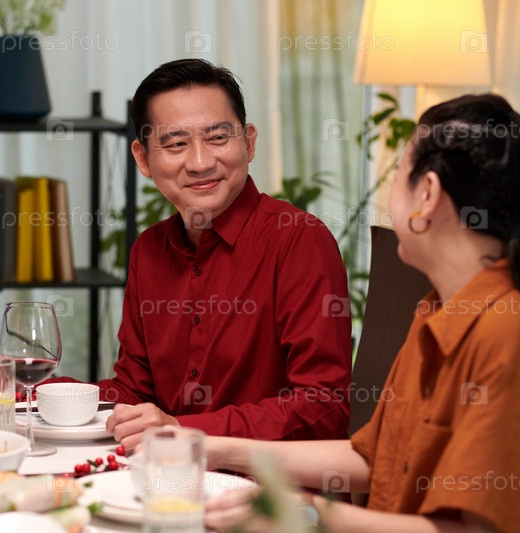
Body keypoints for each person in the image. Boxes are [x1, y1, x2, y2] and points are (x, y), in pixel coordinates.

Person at [202, 93, 520, 532]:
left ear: (427, 194)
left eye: (400, 172)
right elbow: (373, 459)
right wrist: (213, 447)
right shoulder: (436, 311)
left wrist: (311, 514)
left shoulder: (504, 332)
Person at [90, 58, 352, 449]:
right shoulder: (149, 250)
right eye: (176, 144)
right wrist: (33, 393)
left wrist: (184, 429)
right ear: (143, 158)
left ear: (249, 142)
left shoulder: (298, 240)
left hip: (271, 482)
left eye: (217, 138)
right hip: (169, 472)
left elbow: (323, 407)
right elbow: (134, 390)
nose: (200, 163)